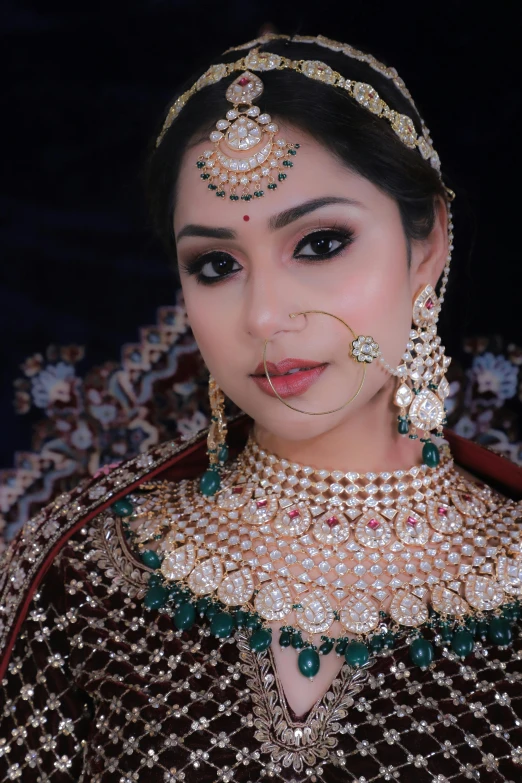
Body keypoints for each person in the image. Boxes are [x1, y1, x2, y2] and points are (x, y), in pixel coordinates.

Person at [1, 33, 522, 783]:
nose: (265, 316)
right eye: (216, 265)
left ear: (429, 244)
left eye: (320, 242)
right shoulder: (88, 573)